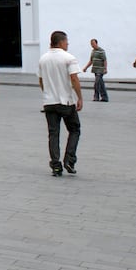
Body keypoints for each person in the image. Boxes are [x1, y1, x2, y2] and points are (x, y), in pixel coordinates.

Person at [38, 30, 82, 176]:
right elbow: (74, 79)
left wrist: (47, 93)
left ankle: (55, 165)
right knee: (74, 129)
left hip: (49, 102)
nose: (68, 43)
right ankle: (69, 160)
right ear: (61, 42)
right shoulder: (68, 58)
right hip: (66, 101)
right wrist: (79, 97)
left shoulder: (43, 59)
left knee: (53, 133)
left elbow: (41, 80)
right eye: (66, 41)